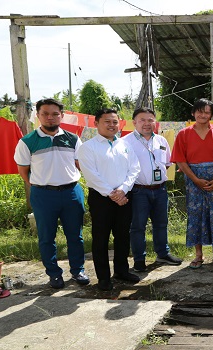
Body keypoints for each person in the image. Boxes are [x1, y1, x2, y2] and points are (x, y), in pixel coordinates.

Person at [13, 98, 89, 289]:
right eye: (45, 114)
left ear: (62, 116)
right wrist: (41, 185)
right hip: (43, 195)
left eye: (55, 114)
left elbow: (81, 165)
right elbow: (23, 171)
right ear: (38, 116)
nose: (50, 118)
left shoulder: (73, 139)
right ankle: (54, 274)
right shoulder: (27, 141)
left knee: (76, 235)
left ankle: (78, 270)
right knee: (47, 237)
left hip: (72, 192)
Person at [77, 108, 141, 291]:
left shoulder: (124, 145)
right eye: (107, 121)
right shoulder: (88, 147)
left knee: (122, 236)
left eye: (115, 122)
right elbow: (91, 175)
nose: (112, 125)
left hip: (124, 196)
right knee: (101, 238)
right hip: (101, 198)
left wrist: (123, 190)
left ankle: (121, 271)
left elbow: (134, 169)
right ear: (96, 123)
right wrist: (112, 194)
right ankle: (103, 277)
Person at [171, 98, 213, 268]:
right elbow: (180, 161)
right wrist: (195, 179)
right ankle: (198, 254)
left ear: (211, 114)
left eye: (206, 112)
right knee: (196, 215)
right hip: (193, 180)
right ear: (193, 113)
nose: (202, 115)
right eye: (199, 111)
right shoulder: (184, 134)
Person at [123, 107, 182, 272]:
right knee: (137, 226)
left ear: (155, 122)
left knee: (161, 224)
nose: (147, 124)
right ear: (134, 122)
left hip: (160, 189)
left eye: (150, 120)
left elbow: (168, 163)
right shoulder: (125, 142)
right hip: (138, 190)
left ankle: (162, 254)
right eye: (142, 120)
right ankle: (139, 259)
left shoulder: (161, 141)